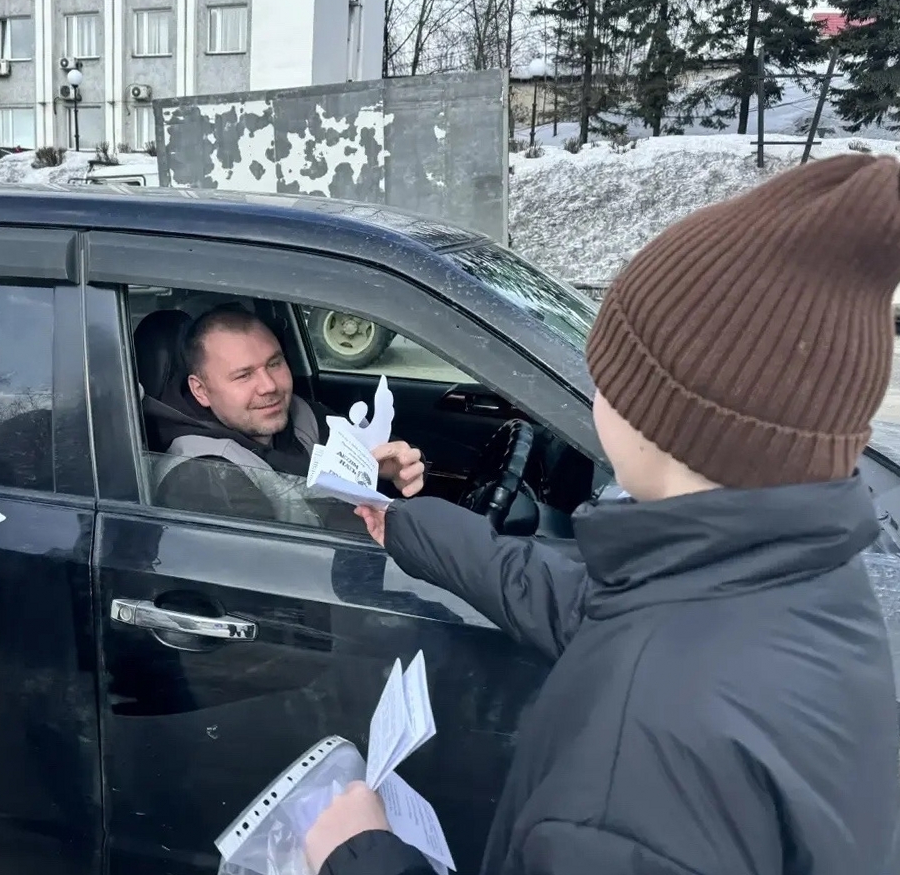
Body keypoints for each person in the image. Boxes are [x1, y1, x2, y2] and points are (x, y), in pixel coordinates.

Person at [305, 153, 900, 875]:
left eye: (608, 373)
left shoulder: (631, 771)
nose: (595, 393)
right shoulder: (797, 585)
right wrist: (412, 524)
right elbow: (592, 606)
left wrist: (360, 856)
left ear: (661, 417)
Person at [148, 305, 425, 525]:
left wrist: (398, 467)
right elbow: (280, 570)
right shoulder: (205, 477)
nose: (269, 386)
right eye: (244, 375)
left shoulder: (299, 413)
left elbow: (373, 451)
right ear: (200, 391)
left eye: (274, 363)